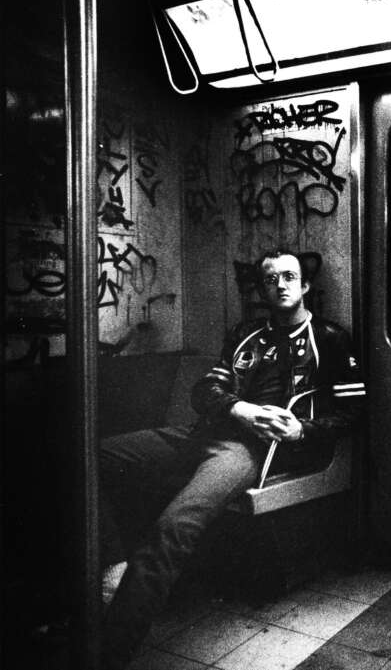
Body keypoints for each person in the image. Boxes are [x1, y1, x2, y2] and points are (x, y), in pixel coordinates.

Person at [98, 249, 363, 669]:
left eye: (290, 277)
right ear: (262, 289)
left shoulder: (329, 339)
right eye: (271, 279)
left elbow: (352, 414)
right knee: (96, 455)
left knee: (173, 527)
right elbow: (205, 391)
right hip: (202, 433)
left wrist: (302, 430)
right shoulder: (247, 333)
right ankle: (112, 563)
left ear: (306, 285)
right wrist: (240, 408)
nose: (281, 285)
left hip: (247, 451)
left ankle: (107, 653)